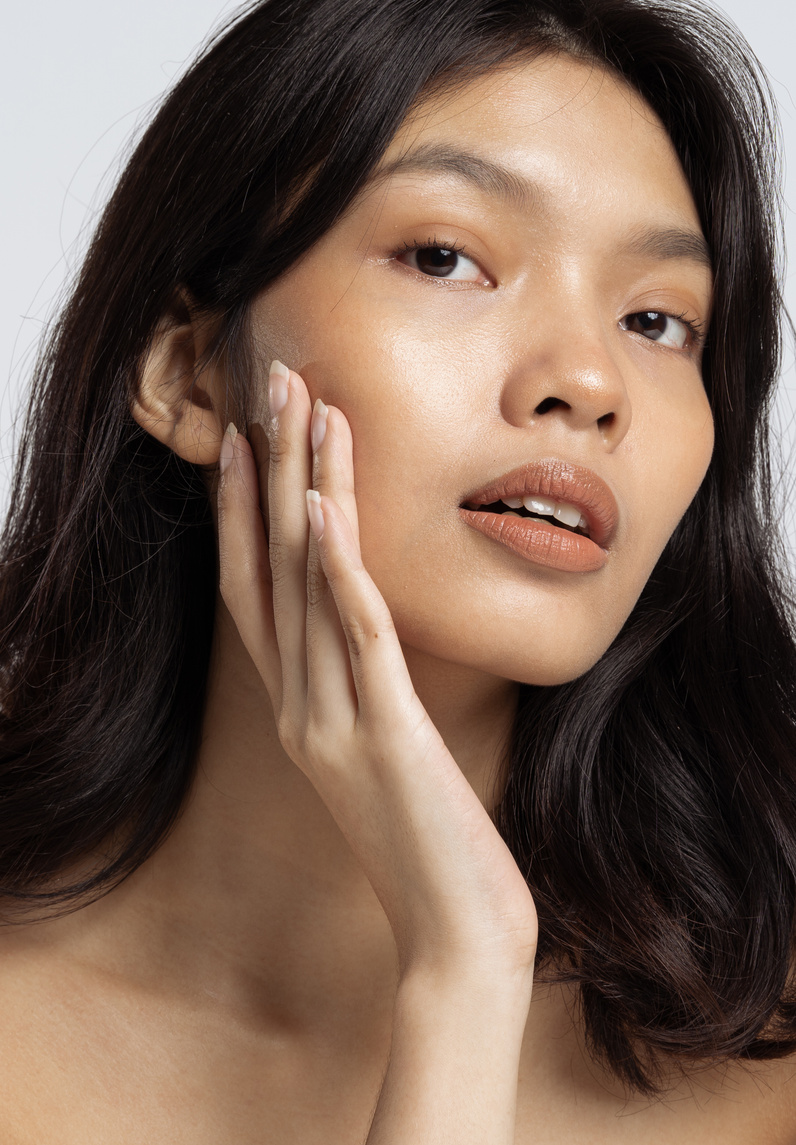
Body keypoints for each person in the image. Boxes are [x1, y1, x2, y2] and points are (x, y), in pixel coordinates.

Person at [1, 0, 795, 1139]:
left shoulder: (770, 1060)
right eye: (446, 256)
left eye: (658, 320)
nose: (588, 378)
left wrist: (464, 958)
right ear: (187, 374)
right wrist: (462, 966)